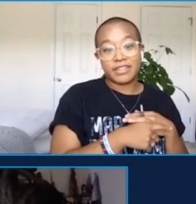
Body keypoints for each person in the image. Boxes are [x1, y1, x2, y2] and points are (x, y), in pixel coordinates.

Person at [50, 16, 188, 154]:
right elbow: (58, 166)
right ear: (98, 56)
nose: (119, 57)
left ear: (141, 49)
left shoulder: (162, 101)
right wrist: (119, 139)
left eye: (128, 46)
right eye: (108, 50)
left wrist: (172, 132)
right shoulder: (78, 97)